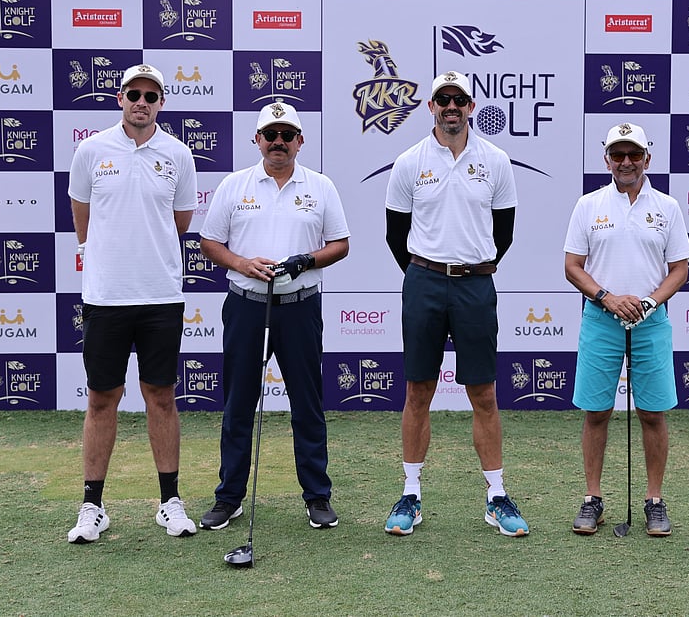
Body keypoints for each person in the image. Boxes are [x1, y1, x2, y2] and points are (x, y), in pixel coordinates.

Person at [383, 71, 527, 537]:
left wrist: (471, 268)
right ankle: (410, 494)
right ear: (431, 107)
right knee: (417, 390)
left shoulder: (497, 160)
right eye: (442, 99)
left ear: (470, 106)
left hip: (475, 286)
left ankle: (496, 496)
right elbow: (394, 233)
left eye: (458, 99)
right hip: (423, 281)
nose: (450, 106)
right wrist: (428, 274)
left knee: (483, 393)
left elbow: (503, 233)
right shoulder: (408, 161)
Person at [197, 100, 350, 531]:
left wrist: (307, 260)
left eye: (287, 135)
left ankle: (317, 497)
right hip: (246, 305)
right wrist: (243, 264)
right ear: (257, 140)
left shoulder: (321, 186)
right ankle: (229, 498)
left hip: (299, 307)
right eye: (271, 135)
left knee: (308, 404)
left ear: (300, 141)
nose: (278, 143)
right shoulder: (234, 185)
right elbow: (210, 243)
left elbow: (340, 244)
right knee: (239, 403)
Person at [66, 64, 199, 543]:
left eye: (151, 95)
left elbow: (179, 222)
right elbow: (82, 216)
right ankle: (92, 507)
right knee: (102, 399)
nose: (142, 102)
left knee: (161, 398)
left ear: (161, 102)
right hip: (105, 297)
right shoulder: (91, 150)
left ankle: (169, 502)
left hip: (161, 295)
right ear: (120, 98)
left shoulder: (179, 154)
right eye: (134, 93)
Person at [562, 121, 689, 537]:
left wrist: (650, 301)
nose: (626, 162)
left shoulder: (667, 208)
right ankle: (592, 498)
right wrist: (607, 297)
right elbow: (572, 267)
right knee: (597, 411)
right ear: (607, 160)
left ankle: (654, 500)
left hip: (650, 320)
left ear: (647, 159)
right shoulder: (589, 205)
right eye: (618, 155)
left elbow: (680, 270)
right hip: (601, 318)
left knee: (652, 413)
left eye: (634, 154)